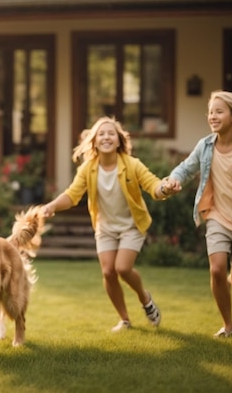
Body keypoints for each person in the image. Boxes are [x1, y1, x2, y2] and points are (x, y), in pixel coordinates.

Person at [41, 116, 179, 332]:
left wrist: (166, 188)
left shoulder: (132, 165)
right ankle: (124, 320)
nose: (106, 137)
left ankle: (145, 299)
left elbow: (153, 185)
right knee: (108, 272)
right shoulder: (88, 169)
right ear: (94, 141)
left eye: (111, 133)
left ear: (119, 141)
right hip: (105, 227)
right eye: (101, 134)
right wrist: (51, 206)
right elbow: (72, 195)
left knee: (122, 268)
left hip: (131, 226)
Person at [167, 91, 232, 338]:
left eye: (219, 111)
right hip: (216, 215)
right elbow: (185, 168)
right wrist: (173, 179)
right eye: (210, 112)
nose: (212, 116)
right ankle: (228, 326)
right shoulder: (205, 146)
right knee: (216, 269)